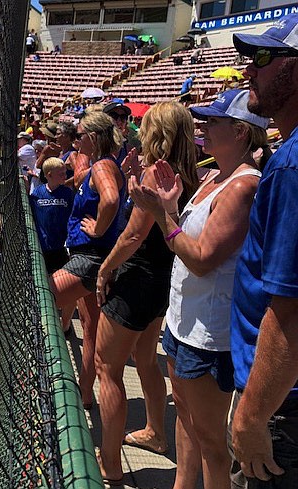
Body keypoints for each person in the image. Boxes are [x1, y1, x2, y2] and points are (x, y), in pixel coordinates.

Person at [129, 90, 270, 489]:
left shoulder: (243, 186)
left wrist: (162, 215)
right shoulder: (213, 176)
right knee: (188, 425)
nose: (202, 127)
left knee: (211, 442)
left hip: (208, 333)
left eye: (213, 121)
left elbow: (203, 258)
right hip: (182, 321)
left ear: (241, 132)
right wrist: (170, 207)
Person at [95, 102, 199, 485]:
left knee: (109, 369)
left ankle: (110, 462)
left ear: (160, 133)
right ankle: (156, 432)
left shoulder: (158, 173)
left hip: (136, 281)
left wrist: (105, 270)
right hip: (162, 284)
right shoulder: (191, 170)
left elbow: (133, 235)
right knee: (145, 359)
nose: (139, 131)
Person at [228, 14, 298, 489]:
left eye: (263, 57)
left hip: (280, 405)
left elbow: (292, 310)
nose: (247, 67)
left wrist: (252, 417)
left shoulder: (291, 164)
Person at [49, 111, 126, 410]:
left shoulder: (103, 166)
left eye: (80, 135)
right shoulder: (100, 164)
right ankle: (84, 394)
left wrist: (98, 228)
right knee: (89, 327)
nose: (76, 139)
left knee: (39, 298)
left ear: (93, 138)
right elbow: (86, 181)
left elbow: (110, 200)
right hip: (94, 259)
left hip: (90, 259)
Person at [29, 158, 75, 274]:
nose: (65, 176)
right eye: (61, 174)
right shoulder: (37, 193)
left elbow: (73, 216)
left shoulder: (67, 193)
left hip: (61, 247)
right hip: (42, 246)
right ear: (49, 175)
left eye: (65, 173)